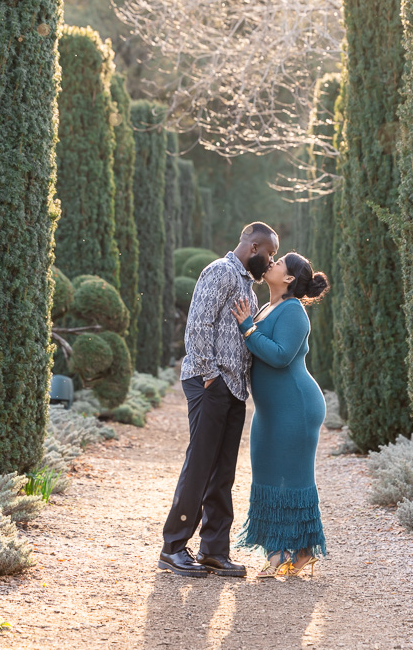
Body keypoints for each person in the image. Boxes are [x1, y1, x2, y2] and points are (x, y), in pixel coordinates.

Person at [158, 222, 279, 578]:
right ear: (254, 247)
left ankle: (214, 551)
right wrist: (210, 374)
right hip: (210, 382)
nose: (271, 261)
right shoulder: (221, 271)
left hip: (234, 388)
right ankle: (173, 547)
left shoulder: (247, 287)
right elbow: (198, 324)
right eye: (270, 254)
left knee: (223, 472)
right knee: (200, 464)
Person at [231, 251, 330, 578]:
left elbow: (280, 356)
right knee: (267, 479)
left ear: (288, 278)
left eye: (277, 264)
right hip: (269, 412)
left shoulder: (294, 311)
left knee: (293, 480)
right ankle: (278, 550)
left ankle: (298, 552)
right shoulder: (266, 307)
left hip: (296, 408)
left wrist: (247, 329)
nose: (269, 264)